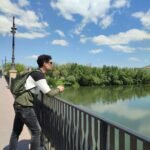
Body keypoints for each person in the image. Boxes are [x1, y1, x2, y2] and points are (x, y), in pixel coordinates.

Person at [9, 54, 64, 150]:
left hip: (18, 104)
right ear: (44, 63)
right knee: (36, 131)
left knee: (16, 132)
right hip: (25, 106)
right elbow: (49, 93)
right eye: (50, 62)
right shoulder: (39, 75)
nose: (52, 64)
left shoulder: (35, 73)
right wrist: (59, 89)